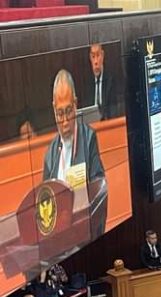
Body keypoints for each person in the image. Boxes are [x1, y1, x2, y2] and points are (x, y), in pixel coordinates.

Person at [43, 69, 107, 237]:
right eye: (60, 113)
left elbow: (100, 190)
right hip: (59, 239)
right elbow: (44, 202)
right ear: (53, 109)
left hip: (84, 233)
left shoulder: (88, 138)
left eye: (69, 111)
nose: (64, 121)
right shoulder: (50, 154)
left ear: (76, 104)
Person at [85, 44, 115, 120]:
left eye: (98, 55)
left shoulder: (111, 80)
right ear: (90, 58)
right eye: (93, 57)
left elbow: (114, 111)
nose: (96, 61)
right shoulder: (86, 83)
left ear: (102, 55)